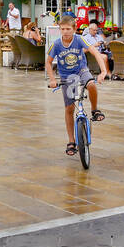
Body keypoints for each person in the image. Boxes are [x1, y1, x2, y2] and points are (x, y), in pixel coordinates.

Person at [45, 15, 108, 157]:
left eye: (68, 29)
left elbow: (95, 52)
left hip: (81, 71)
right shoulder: (56, 44)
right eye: (62, 29)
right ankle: (71, 141)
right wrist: (52, 79)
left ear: (74, 29)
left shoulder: (79, 40)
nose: (65, 32)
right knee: (69, 108)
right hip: (67, 76)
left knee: (91, 84)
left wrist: (103, 71)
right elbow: (48, 63)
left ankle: (94, 110)